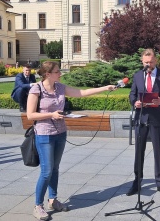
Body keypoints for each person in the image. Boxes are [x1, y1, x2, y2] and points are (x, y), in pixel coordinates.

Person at [26, 61, 115, 220]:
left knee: (55, 169)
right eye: (57, 71)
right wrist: (51, 115)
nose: (60, 74)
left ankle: (52, 200)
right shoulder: (36, 89)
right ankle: (38, 205)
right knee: (46, 171)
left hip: (60, 133)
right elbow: (30, 115)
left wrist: (105, 88)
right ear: (48, 74)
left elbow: (82, 92)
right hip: (44, 133)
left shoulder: (60, 87)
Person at [127, 49, 160, 197]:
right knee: (138, 151)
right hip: (141, 118)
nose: (149, 65)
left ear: (156, 61)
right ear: (142, 61)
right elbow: (132, 94)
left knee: (158, 152)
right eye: (146, 62)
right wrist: (135, 102)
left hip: (157, 118)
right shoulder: (138, 76)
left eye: (151, 62)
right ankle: (137, 181)